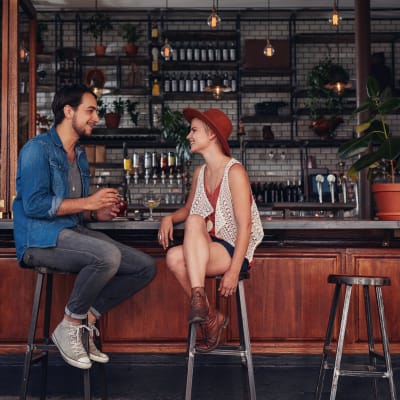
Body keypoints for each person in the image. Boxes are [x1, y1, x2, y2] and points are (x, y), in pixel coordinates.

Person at [12, 84, 157, 370]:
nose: (96, 118)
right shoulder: (36, 150)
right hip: (38, 240)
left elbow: (77, 209)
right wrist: (88, 203)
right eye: (90, 110)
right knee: (107, 256)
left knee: (145, 266)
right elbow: (34, 205)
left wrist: (97, 212)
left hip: (71, 233)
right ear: (68, 111)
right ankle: (68, 325)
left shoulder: (78, 156)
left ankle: (84, 321)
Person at [158, 108, 264, 352]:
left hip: (233, 249)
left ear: (212, 135)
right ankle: (209, 313)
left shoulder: (235, 172)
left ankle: (205, 311)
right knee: (174, 254)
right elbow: (187, 210)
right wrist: (169, 218)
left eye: (194, 130)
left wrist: (234, 271)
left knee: (193, 225)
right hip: (211, 246)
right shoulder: (201, 173)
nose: (189, 136)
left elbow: (245, 226)